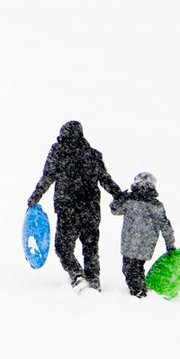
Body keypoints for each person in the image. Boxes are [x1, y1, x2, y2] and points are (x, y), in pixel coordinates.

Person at [28, 120, 123, 290]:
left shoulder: (58, 152)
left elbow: (47, 177)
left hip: (67, 210)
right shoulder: (93, 155)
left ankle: (78, 275)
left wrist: (35, 197)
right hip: (90, 210)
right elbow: (105, 179)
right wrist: (119, 195)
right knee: (90, 247)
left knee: (63, 248)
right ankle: (93, 280)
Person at [111, 172, 177, 298]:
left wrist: (118, 199)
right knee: (136, 269)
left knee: (130, 270)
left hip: (129, 243)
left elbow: (115, 210)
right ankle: (140, 291)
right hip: (145, 246)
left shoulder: (129, 201)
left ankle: (139, 294)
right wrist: (170, 245)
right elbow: (166, 227)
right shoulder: (155, 206)